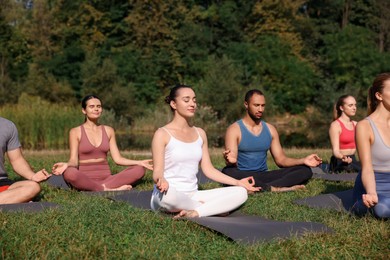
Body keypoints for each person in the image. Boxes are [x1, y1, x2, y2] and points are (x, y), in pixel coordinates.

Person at [150, 85, 259, 218]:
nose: (192, 104)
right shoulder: (162, 134)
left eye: (194, 100)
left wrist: (238, 182)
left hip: (193, 194)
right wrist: (160, 180)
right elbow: (157, 172)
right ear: (173, 104)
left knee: (241, 193)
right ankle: (211, 208)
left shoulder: (200, 133)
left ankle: (195, 212)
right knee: (170, 198)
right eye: (186, 100)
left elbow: (208, 169)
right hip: (168, 194)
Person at [222, 89, 322, 192]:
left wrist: (303, 160)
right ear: (246, 105)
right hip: (243, 175)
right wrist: (230, 161)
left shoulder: (270, 129)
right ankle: (275, 188)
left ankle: (258, 188)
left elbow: (281, 160)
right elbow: (231, 158)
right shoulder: (234, 129)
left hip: (264, 175)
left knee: (305, 170)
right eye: (256, 105)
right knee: (228, 172)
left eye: (263, 105)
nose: (260, 109)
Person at [52, 95, 153, 191]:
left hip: (108, 179)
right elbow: (73, 161)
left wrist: (139, 162)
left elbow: (118, 159)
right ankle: (105, 189)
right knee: (70, 173)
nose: (96, 109)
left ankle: (97, 188)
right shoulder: (75, 132)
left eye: (98, 106)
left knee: (139, 169)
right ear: (84, 110)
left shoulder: (109, 130)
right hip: (85, 178)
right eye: (92, 106)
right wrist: (67, 164)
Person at [352, 72, 390, 218]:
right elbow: (367, 168)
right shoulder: (364, 126)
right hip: (373, 186)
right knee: (382, 209)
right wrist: (371, 193)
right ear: (379, 96)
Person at [0, 117, 51, 204]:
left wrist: (32, 176)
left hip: (1, 182)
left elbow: (17, 160)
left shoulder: (8, 126)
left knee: (33, 187)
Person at [328, 95, 361, 173]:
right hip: (340, 160)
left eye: (355, 105)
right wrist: (343, 157)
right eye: (350, 105)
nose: (354, 108)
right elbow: (335, 151)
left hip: (352, 159)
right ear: (341, 108)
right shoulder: (335, 125)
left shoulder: (356, 124)